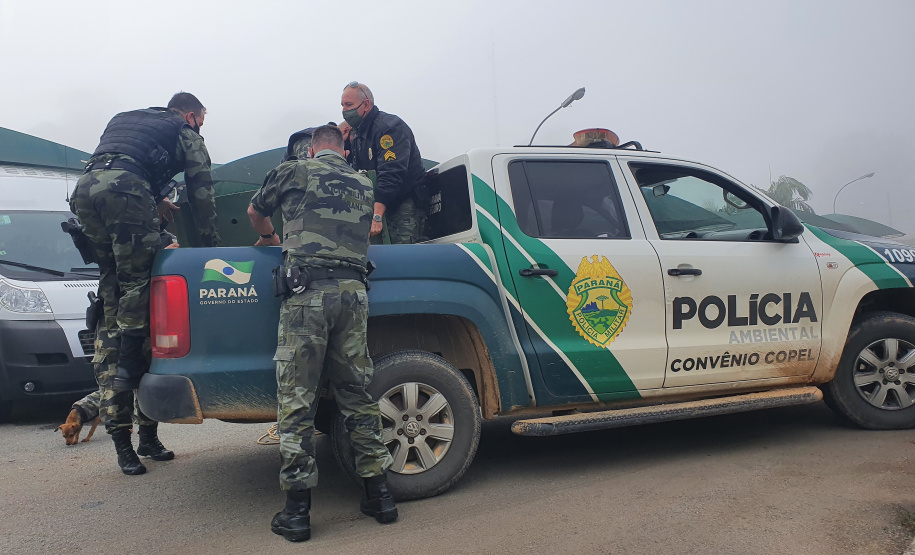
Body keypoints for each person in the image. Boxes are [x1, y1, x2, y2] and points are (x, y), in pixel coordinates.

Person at [247, 125, 396, 542]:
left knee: (297, 400)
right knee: (358, 395)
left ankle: (297, 513)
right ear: (343, 148)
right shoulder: (364, 183)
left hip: (307, 295)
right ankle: (379, 495)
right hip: (354, 296)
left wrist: (269, 237)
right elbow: (369, 231)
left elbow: (256, 212)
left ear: (312, 149)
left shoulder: (296, 171)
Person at [70, 92, 220, 475]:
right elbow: (201, 189)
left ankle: (142, 439)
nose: (200, 126)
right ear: (192, 114)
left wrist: (154, 200)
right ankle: (128, 426)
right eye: (201, 120)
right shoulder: (185, 130)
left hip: (85, 189)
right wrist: (209, 248)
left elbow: (120, 167)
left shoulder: (130, 119)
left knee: (115, 284)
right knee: (138, 288)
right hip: (123, 189)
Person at [341, 82, 427, 244]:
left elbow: (391, 174)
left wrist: (377, 215)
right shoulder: (358, 133)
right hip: (380, 205)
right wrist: (343, 143)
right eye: (343, 106)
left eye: (349, 105)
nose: (344, 111)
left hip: (404, 204)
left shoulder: (388, 129)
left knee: (403, 255)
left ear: (366, 104)